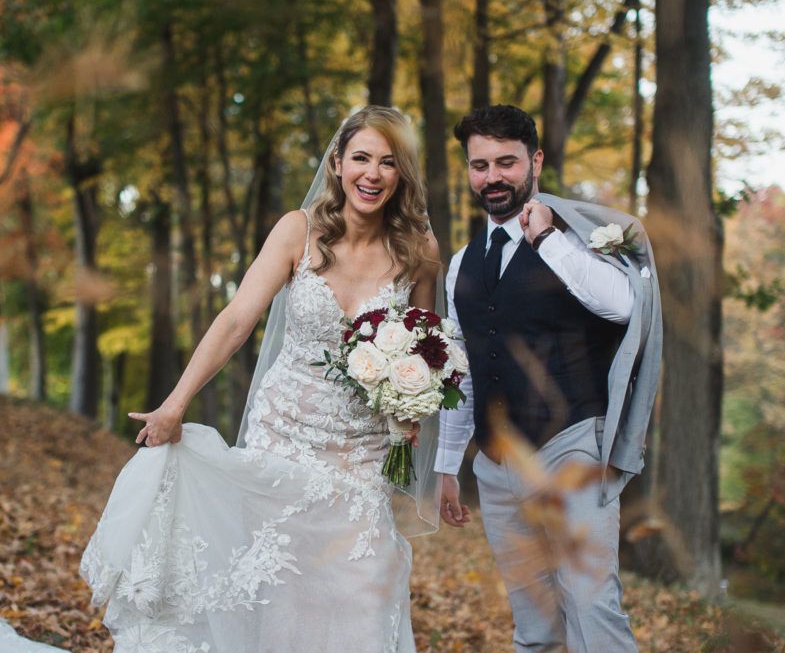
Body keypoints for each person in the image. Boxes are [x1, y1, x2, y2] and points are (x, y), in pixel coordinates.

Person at [80, 105, 442, 653]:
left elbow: (425, 347)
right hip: (284, 436)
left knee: (364, 587)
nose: (372, 173)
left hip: (360, 455)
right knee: (279, 590)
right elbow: (236, 320)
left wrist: (409, 408)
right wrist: (176, 403)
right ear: (338, 163)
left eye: (388, 163)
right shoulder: (298, 232)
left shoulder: (419, 252)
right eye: (361, 157)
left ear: (401, 174)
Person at [436, 104, 662, 653]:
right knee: (534, 625)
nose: (492, 177)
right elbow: (462, 369)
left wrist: (548, 241)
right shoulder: (462, 264)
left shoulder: (580, 238)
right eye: (480, 165)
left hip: (571, 451)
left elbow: (624, 306)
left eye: (506, 162)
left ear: (535, 161)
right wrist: (447, 464)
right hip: (496, 466)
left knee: (592, 608)